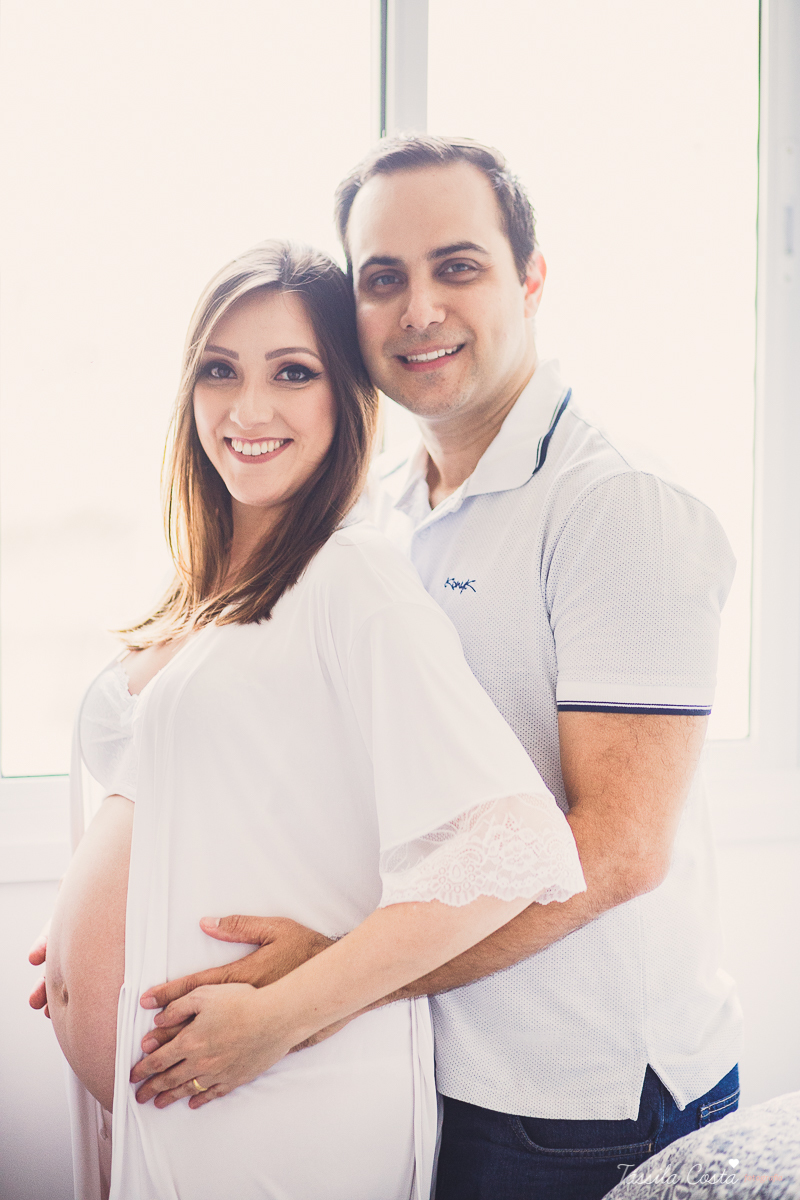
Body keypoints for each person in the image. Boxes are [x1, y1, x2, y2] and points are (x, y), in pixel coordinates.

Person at [130, 138, 743, 1200]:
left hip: (573, 1100)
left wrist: (312, 994)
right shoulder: (384, 515)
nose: (417, 309)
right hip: (431, 1058)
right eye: (382, 278)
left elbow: (616, 849)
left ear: (531, 280)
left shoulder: (615, 509)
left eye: (455, 266)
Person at [37, 240, 585, 1200]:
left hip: (278, 1092)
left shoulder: (351, 574)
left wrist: (283, 1016)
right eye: (220, 371)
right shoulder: (213, 590)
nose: (248, 410)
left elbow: (517, 845)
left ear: (347, 398)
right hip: (180, 1099)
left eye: (293, 373)